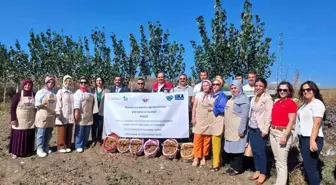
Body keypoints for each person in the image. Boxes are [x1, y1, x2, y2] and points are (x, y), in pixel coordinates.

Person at [295, 81, 326, 185]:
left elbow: (316, 124)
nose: (305, 92)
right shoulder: (305, 105)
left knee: (311, 168)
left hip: (312, 138)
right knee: (309, 166)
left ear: (314, 90)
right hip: (304, 138)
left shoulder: (317, 104)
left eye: (308, 89)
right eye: (303, 90)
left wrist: (312, 140)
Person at [270, 81, 297, 185]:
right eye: (280, 90)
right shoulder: (276, 102)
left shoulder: (291, 103)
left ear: (289, 91)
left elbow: (291, 121)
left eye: (284, 90)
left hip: (282, 133)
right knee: (277, 159)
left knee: (281, 162)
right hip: (273, 132)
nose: (282, 91)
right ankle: (280, 181)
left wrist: (285, 135)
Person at [248, 78, 273, 185]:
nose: (258, 87)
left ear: (265, 87)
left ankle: (263, 173)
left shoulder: (267, 99)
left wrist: (266, 129)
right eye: (256, 85)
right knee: (254, 150)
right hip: (252, 126)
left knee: (261, 151)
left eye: (260, 86)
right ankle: (257, 170)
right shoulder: (254, 97)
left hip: (260, 128)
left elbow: (269, 115)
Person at [223, 80, 250, 176]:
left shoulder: (244, 100)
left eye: (235, 88)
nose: (233, 90)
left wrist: (241, 129)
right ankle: (232, 166)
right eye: (232, 88)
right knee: (231, 149)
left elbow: (244, 116)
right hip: (230, 128)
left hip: (237, 129)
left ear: (240, 88)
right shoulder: (231, 99)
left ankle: (238, 168)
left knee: (238, 149)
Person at [9, 79, 36, 159]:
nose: (27, 86)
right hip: (19, 119)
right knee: (18, 136)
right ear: (23, 85)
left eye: (29, 85)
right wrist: (13, 118)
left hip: (30, 119)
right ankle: (15, 152)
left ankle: (27, 151)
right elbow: (12, 108)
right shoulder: (18, 95)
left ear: (31, 86)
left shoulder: (33, 94)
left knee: (28, 135)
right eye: (26, 84)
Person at [191, 80, 213, 167]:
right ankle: (196, 157)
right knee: (197, 139)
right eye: (203, 85)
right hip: (198, 120)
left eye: (207, 85)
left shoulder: (213, 96)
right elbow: (194, 107)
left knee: (206, 140)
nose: (205, 87)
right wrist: (193, 118)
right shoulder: (198, 95)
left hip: (208, 120)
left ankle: (203, 157)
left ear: (210, 86)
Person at [35, 76, 57, 158]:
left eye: (52, 83)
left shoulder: (54, 92)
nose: (50, 84)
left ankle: (45, 146)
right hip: (42, 114)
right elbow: (36, 105)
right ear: (46, 83)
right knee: (41, 132)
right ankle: (39, 148)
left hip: (51, 115)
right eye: (49, 82)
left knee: (49, 132)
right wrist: (42, 104)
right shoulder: (41, 92)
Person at [209, 77, 227, 172]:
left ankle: (216, 165)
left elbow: (222, 109)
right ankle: (217, 161)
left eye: (217, 84)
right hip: (213, 121)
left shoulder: (222, 96)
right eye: (214, 84)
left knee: (216, 143)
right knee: (214, 143)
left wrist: (212, 109)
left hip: (218, 120)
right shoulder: (214, 95)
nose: (215, 86)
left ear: (221, 86)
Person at [74, 77, 95, 153]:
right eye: (81, 82)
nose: (83, 84)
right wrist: (76, 114)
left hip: (89, 115)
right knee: (80, 131)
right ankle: (78, 145)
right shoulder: (78, 93)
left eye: (85, 82)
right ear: (79, 84)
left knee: (87, 131)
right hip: (81, 115)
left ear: (87, 84)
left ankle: (84, 143)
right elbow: (76, 105)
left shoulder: (90, 93)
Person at [55, 75, 74, 153]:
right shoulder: (60, 92)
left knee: (69, 130)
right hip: (63, 114)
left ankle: (68, 145)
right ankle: (61, 146)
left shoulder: (71, 92)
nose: (68, 82)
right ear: (64, 81)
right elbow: (58, 103)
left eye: (69, 81)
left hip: (70, 115)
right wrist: (58, 113)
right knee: (62, 131)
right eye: (66, 81)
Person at [91, 77, 110, 148]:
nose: (99, 82)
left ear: (102, 81)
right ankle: (93, 140)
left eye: (100, 80)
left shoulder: (107, 91)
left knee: (100, 126)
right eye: (97, 80)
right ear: (95, 82)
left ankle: (99, 140)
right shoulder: (92, 90)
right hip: (94, 110)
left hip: (102, 111)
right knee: (93, 126)